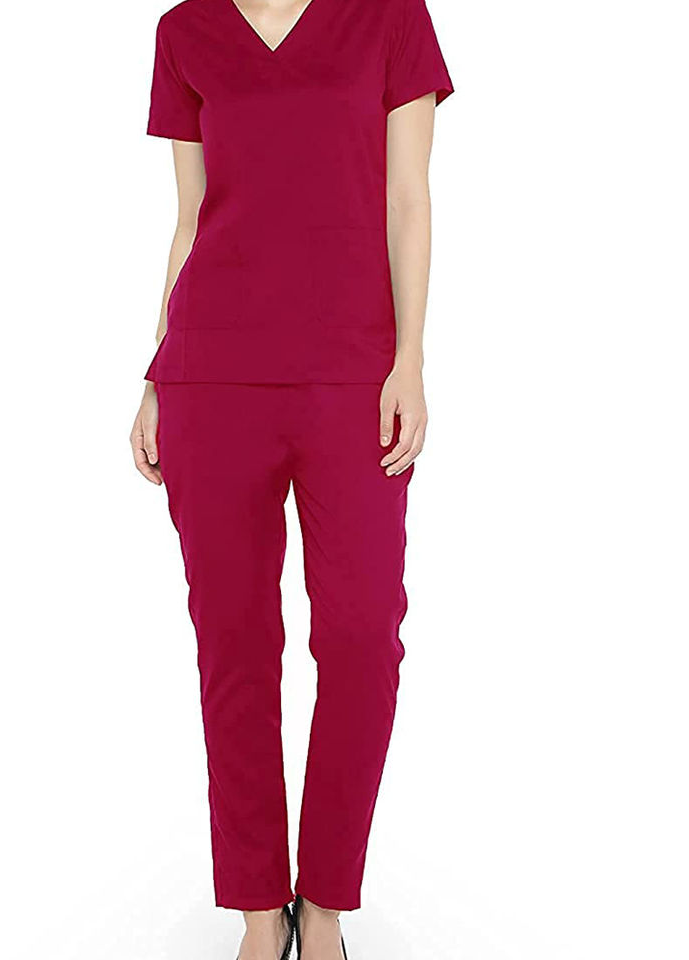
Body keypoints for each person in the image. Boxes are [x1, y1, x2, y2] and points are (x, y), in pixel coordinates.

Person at [130, 0, 453, 956]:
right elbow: (190, 219)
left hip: (353, 375)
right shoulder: (185, 32)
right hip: (211, 374)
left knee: (361, 637)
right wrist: (155, 374)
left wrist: (410, 359)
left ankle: (328, 903)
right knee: (233, 646)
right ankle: (259, 909)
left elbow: (409, 198)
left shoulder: (390, 19)